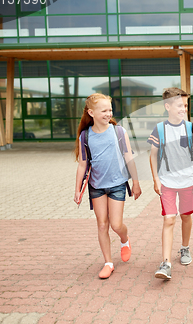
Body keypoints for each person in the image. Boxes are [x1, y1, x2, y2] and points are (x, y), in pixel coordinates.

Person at [74, 93, 142, 279]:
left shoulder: (119, 132)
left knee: (116, 224)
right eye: (103, 110)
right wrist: (77, 189)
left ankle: (124, 239)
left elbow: (129, 157)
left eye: (110, 110)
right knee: (102, 224)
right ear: (91, 112)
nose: (108, 113)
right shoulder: (85, 136)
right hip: (96, 186)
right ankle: (108, 262)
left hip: (117, 184)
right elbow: (82, 164)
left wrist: (135, 182)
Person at [148, 88, 193, 280]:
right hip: (167, 183)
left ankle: (185, 248)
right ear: (168, 106)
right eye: (180, 105)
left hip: (188, 181)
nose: (184, 108)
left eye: (186, 105)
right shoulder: (159, 129)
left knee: (186, 216)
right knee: (169, 219)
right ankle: (166, 263)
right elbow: (153, 155)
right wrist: (156, 179)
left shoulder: (190, 128)